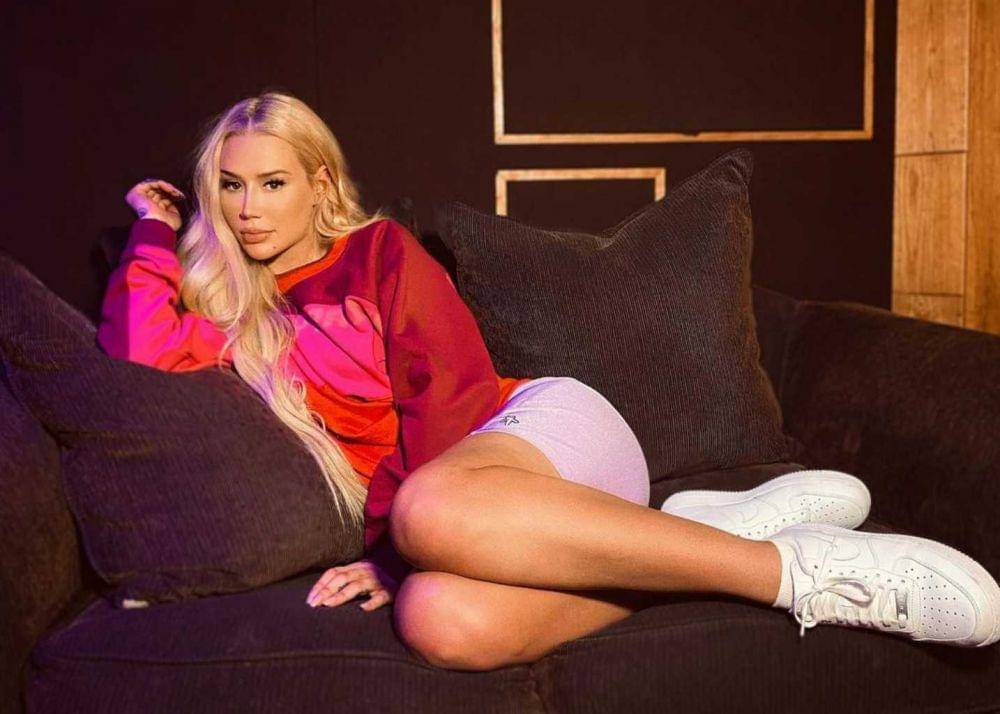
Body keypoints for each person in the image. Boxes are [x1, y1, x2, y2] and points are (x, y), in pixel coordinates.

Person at [98, 90, 1000, 673]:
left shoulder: (377, 253)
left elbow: (450, 396)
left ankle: (805, 574)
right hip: (493, 522)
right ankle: (688, 537)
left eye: (271, 183)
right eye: (230, 187)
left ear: (318, 183)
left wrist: (402, 544)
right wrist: (152, 227)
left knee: (432, 514)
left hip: (540, 437)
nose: (249, 209)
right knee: (440, 621)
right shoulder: (233, 311)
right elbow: (137, 345)